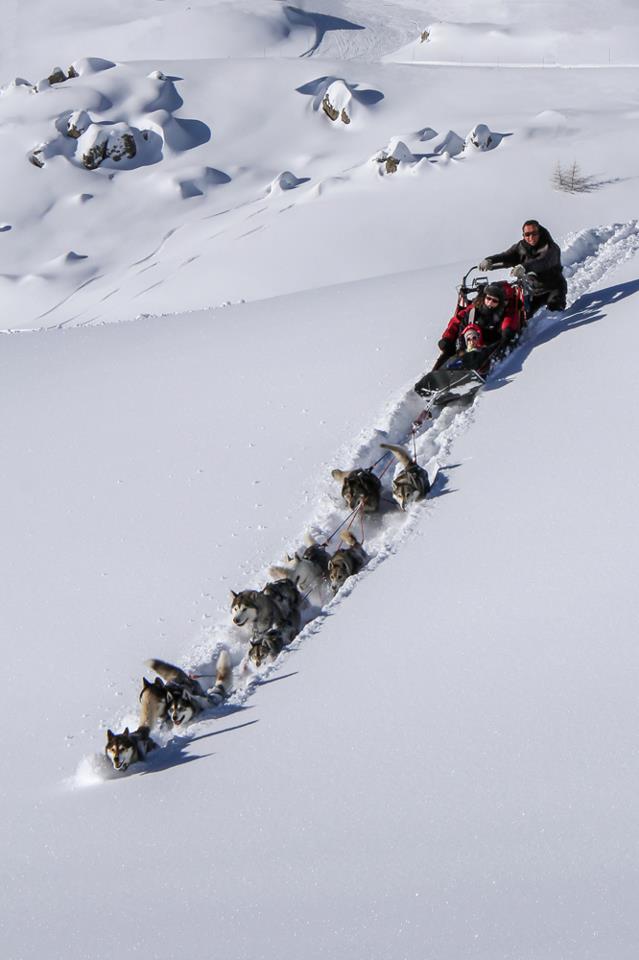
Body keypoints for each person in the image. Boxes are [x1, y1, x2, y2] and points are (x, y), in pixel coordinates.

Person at [478, 219, 567, 316]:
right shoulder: (521, 247)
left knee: (555, 314)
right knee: (523, 316)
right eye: (527, 234)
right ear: (523, 235)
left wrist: (524, 267)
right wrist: (490, 261)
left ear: (539, 233)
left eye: (534, 233)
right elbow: (507, 256)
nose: (531, 237)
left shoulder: (551, 248)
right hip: (533, 291)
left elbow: (542, 262)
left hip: (553, 288)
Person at [436, 281, 521, 368]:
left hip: (489, 344)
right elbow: (458, 324)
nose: (490, 303)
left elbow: (509, 321)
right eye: (488, 298)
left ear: (500, 303)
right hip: (470, 342)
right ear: (484, 297)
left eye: (494, 301)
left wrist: (507, 330)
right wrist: (447, 338)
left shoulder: (503, 313)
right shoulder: (473, 310)